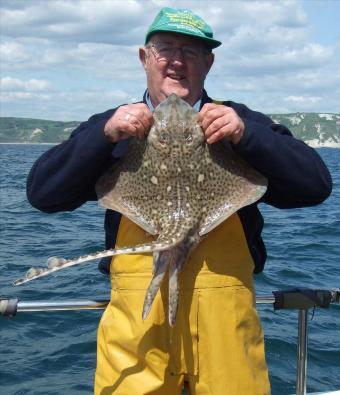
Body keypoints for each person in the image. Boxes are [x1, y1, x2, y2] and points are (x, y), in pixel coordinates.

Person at [26, 7, 332, 395]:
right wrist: (102, 137)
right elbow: (42, 194)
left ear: (209, 63)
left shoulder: (238, 123)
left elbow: (315, 186)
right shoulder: (115, 127)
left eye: (190, 52)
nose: (176, 60)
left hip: (225, 326)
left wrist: (247, 137)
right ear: (144, 58)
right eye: (165, 49)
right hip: (138, 328)